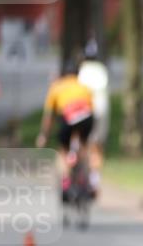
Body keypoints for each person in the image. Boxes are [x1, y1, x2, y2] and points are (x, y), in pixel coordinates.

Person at [36, 60, 95, 196]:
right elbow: (92, 110)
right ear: (78, 74)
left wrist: (44, 135)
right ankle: (85, 179)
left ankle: (66, 183)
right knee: (84, 147)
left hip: (68, 117)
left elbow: (48, 116)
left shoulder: (57, 87)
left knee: (63, 151)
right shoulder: (84, 87)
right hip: (86, 116)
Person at [78, 41, 110, 194]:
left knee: (82, 142)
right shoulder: (102, 69)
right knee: (97, 145)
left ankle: (80, 176)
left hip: (85, 109)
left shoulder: (82, 70)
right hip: (101, 109)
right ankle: (95, 180)